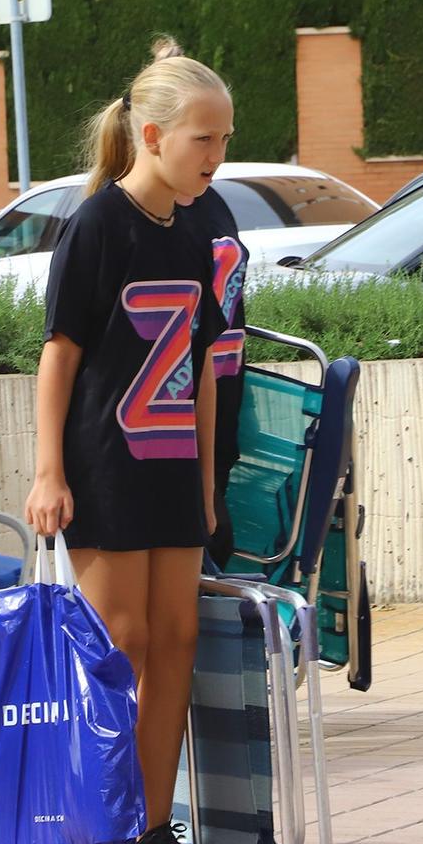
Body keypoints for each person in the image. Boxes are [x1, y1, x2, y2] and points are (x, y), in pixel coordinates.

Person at [27, 39, 236, 844]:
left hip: (171, 473)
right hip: (104, 470)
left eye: (223, 140)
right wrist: (48, 473)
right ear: (151, 136)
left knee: (176, 644)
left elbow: (201, 362)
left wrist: (208, 482)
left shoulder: (194, 226)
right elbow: (59, 356)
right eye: (203, 140)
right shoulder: (96, 225)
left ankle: (154, 831)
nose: (215, 157)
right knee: (121, 652)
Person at [179, 185, 246, 569]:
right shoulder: (139, 212)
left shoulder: (210, 199)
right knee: (212, 540)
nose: (215, 153)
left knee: (216, 539)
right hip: (170, 424)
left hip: (222, 408)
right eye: (203, 137)